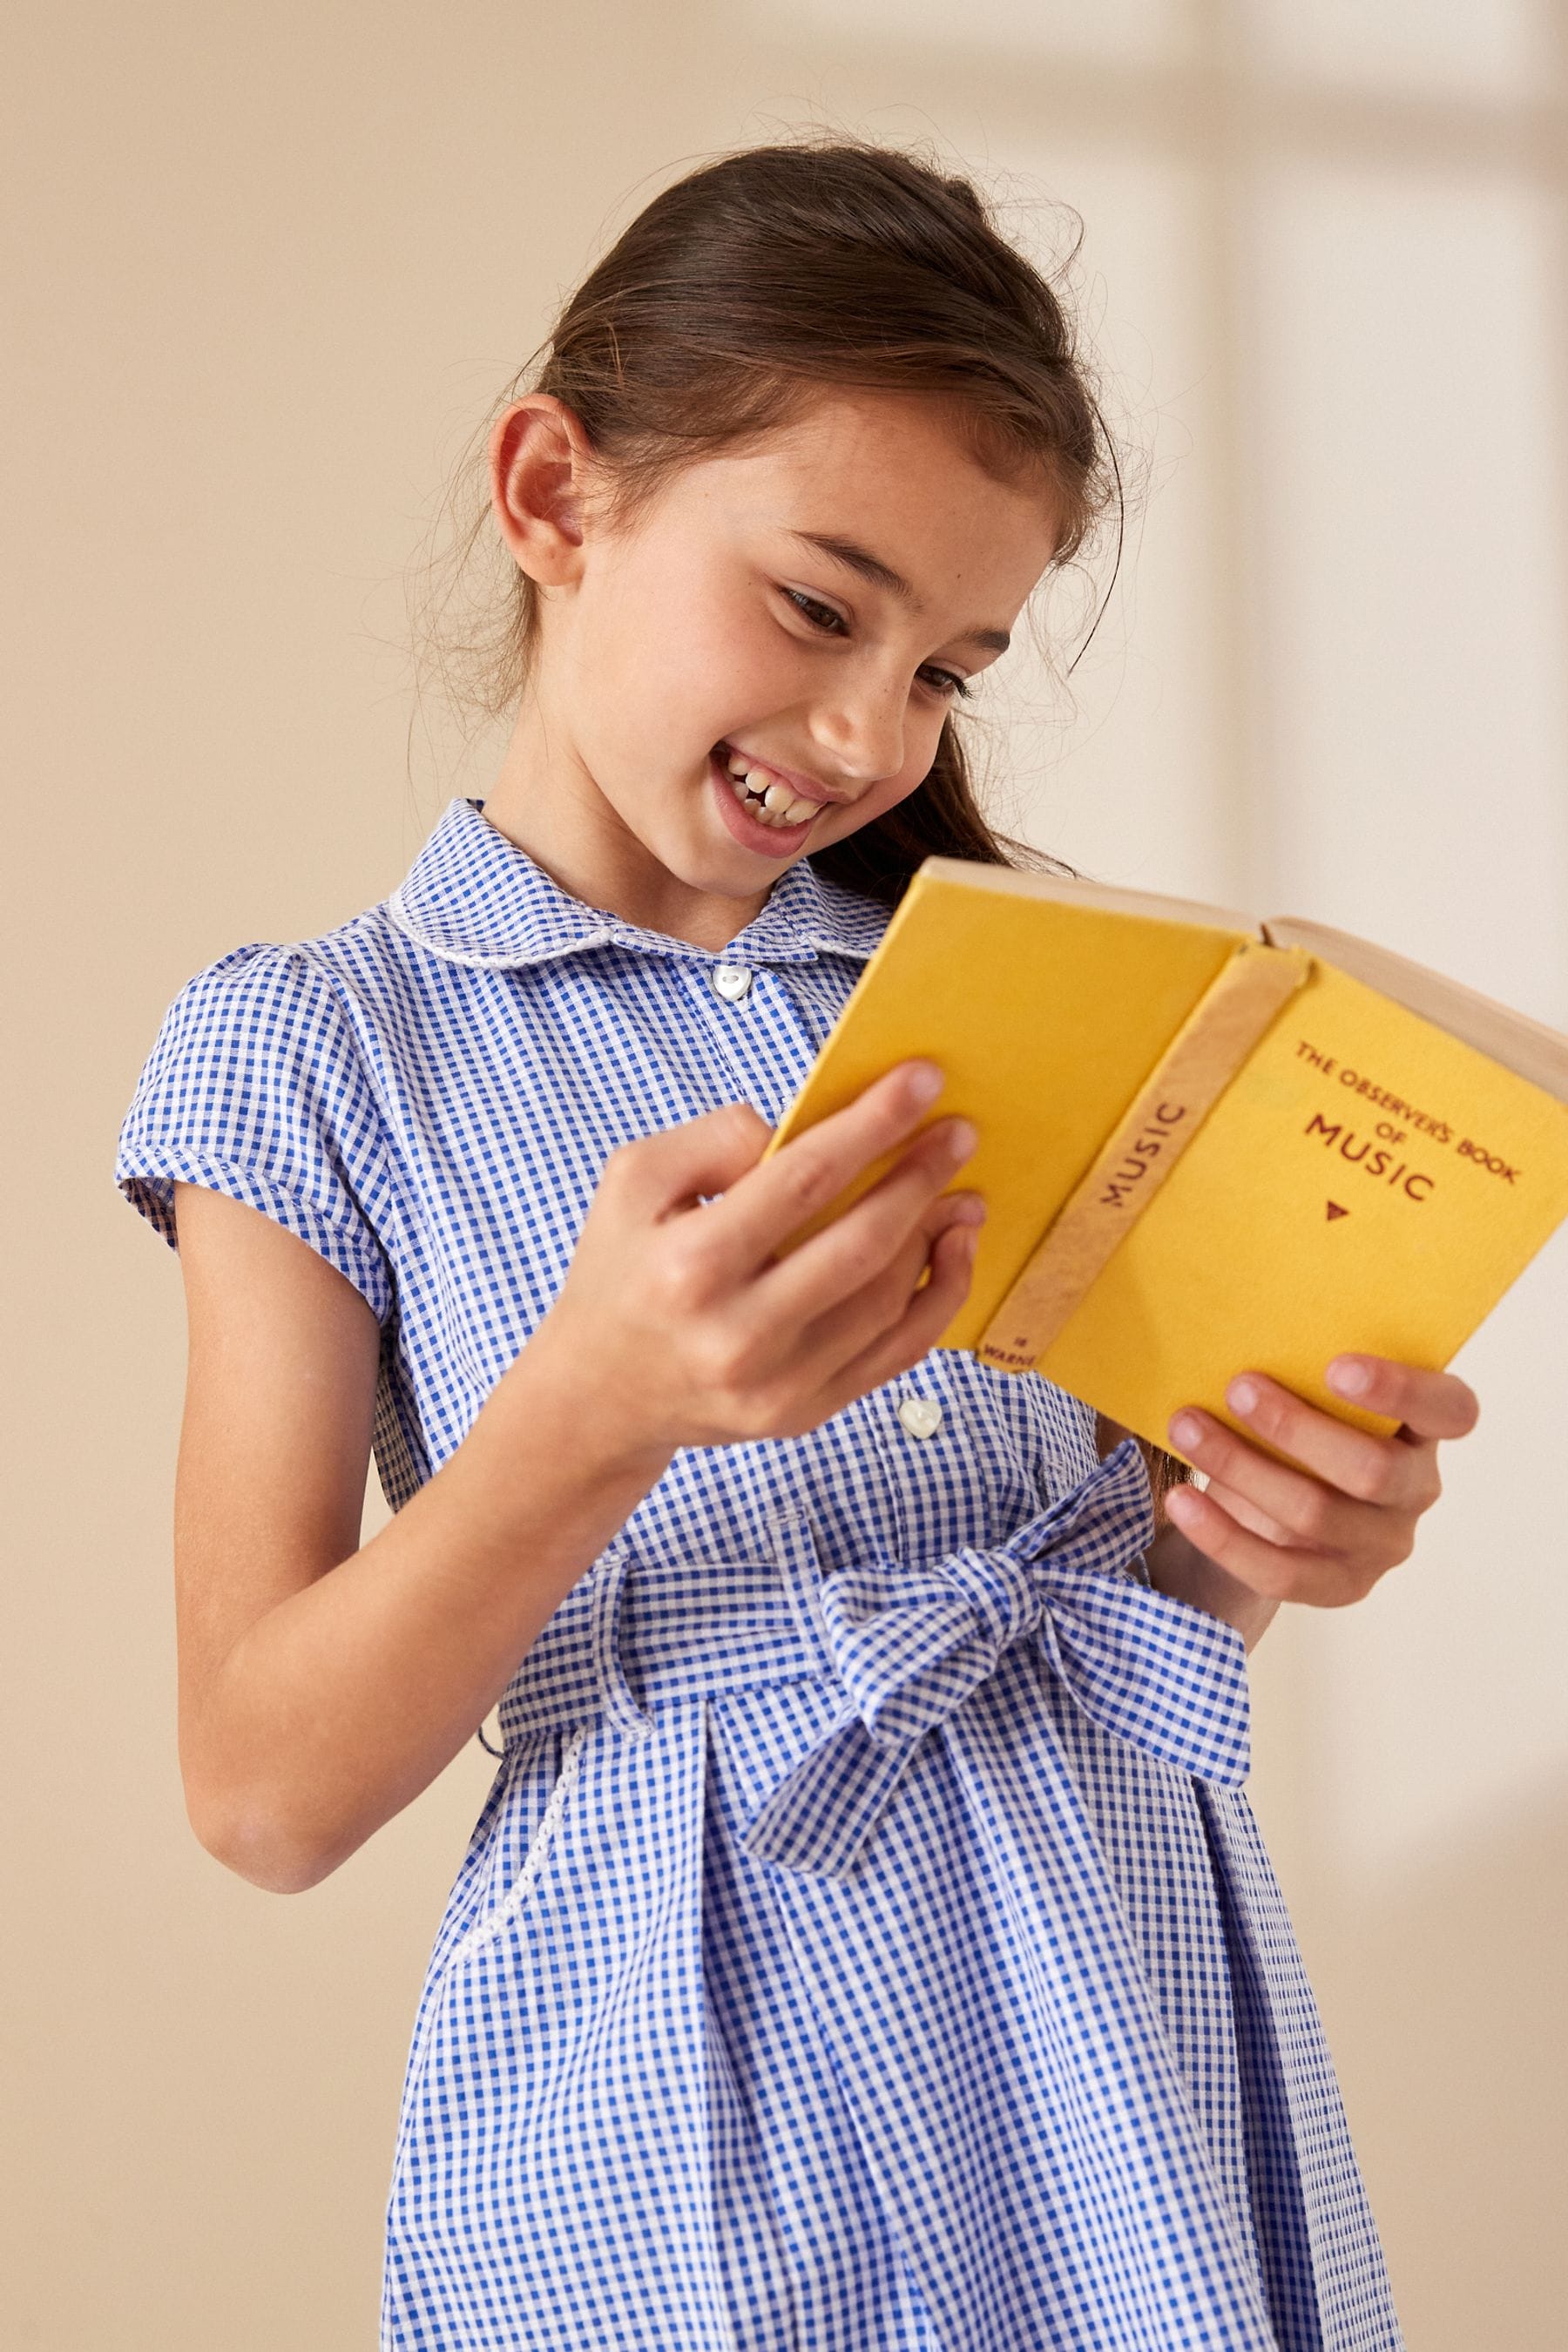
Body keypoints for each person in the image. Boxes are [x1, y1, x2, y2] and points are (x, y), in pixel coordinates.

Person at [114, 139, 1477, 2352]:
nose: (870, 734)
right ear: (557, 494)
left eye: (948, 666)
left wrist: (1253, 1534)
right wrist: (603, 1404)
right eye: (822, 608)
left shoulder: (1003, 1000)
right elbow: (260, 1792)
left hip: (1120, 2019)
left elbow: (1106, 1621)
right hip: (680, 2105)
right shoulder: (316, 1050)